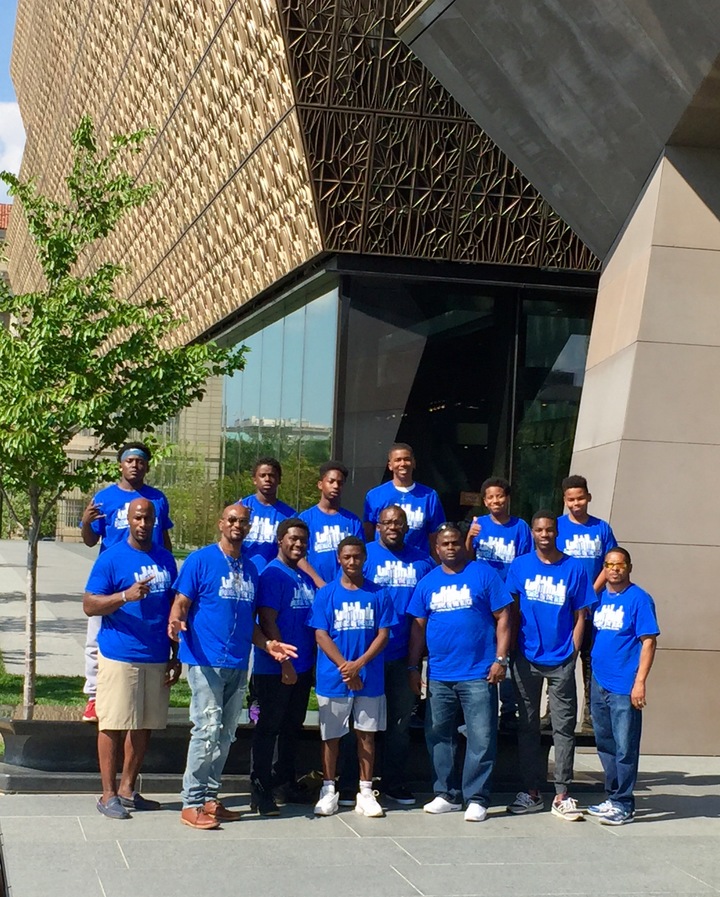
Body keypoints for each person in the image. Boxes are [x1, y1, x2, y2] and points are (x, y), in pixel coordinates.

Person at [168, 503, 297, 830]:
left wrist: (268, 644)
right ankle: (191, 802)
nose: (237, 525)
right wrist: (175, 621)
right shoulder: (200, 560)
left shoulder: (251, 569)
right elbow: (181, 603)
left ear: (249, 527)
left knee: (225, 735)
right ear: (221, 524)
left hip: (238, 662)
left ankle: (211, 798)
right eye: (232, 520)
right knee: (206, 730)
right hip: (205, 662)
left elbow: (250, 623)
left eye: (243, 521)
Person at [407, 523, 512, 822]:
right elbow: (418, 629)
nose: (451, 547)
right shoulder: (427, 582)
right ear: (436, 548)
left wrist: (500, 659)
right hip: (440, 674)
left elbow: (504, 616)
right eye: (445, 544)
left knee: (481, 737)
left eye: (455, 542)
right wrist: (413, 667)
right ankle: (446, 794)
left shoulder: (483, 574)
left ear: (462, 545)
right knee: (439, 735)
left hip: (479, 672)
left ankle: (477, 797)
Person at [82, 498, 180, 819]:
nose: (143, 523)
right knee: (112, 724)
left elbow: (173, 609)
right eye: (137, 518)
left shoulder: (166, 559)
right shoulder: (111, 558)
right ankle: (107, 794)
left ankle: (127, 789)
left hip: (156, 654)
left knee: (144, 725)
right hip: (120, 654)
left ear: (155, 521)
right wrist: (125, 596)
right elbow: (89, 604)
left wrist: (175, 653)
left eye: (148, 518)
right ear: (129, 519)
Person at [505, 511, 596, 821]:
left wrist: (573, 650)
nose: (544, 535)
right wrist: (511, 649)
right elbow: (511, 610)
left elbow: (581, 614)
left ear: (557, 532)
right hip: (526, 657)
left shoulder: (574, 567)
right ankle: (531, 792)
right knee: (528, 726)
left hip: (561, 659)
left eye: (549, 530)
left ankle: (562, 794)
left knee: (563, 727)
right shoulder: (520, 565)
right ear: (532, 532)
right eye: (539, 530)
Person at [79, 441, 173, 723]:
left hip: (149, 573)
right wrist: (86, 522)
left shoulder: (157, 499)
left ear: (147, 466)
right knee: (96, 637)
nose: (135, 465)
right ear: (120, 465)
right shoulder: (105, 498)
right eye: (130, 460)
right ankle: (94, 696)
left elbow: (164, 538)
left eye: (140, 461)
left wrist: (168, 566)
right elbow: (90, 540)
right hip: (113, 577)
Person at [308, 536, 396, 818]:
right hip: (333, 678)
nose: (352, 561)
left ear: (364, 558)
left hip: (369, 677)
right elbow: (321, 634)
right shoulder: (326, 594)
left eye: (357, 556)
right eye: (347, 557)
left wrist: (359, 664)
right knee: (331, 736)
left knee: (366, 735)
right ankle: (328, 789)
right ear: (339, 558)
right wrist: (345, 667)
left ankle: (366, 791)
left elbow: (383, 634)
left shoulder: (379, 594)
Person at [363, 505, 434, 805]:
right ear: (378, 526)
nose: (393, 527)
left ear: (407, 527)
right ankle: (355, 782)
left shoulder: (423, 561)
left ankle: (393, 783)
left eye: (398, 523)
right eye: (387, 522)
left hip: (404, 655)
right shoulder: (363, 555)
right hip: (367, 656)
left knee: (399, 725)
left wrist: (418, 658)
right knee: (361, 722)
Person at [587, 547, 659, 825]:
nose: (614, 569)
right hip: (599, 681)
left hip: (624, 685)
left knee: (625, 746)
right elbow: (582, 603)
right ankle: (612, 796)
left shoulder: (639, 599)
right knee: (605, 743)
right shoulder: (600, 598)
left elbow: (649, 642)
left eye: (619, 565)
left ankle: (624, 803)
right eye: (609, 565)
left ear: (629, 567)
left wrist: (639, 682)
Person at [251, 518, 317, 814]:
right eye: (293, 539)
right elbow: (267, 620)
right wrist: (285, 664)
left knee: (292, 728)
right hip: (275, 669)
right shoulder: (273, 574)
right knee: (268, 730)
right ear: (280, 541)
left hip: (301, 668)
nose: (298, 544)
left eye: (303, 540)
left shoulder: (301, 576)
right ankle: (261, 790)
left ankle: (284, 783)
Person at [464, 476, 532, 729]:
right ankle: (482, 706)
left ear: (507, 498)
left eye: (500, 496)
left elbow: (525, 562)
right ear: (484, 501)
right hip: (481, 597)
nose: (496, 501)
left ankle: (509, 708)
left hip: (509, 597)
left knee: (507, 651)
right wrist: (469, 537)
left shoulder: (520, 527)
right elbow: (466, 558)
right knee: (484, 646)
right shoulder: (478, 524)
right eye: (490, 497)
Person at [557, 474, 618, 729]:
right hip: (563, 606)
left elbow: (610, 563)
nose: (576, 504)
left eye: (580, 498)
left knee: (591, 659)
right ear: (565, 500)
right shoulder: (557, 527)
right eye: (571, 499)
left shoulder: (601, 528)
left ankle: (591, 712)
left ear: (589, 497)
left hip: (594, 606)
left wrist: (589, 593)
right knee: (562, 660)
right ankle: (556, 711)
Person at [363, 443, 444, 555]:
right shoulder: (375, 495)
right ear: (390, 465)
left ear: (414, 463)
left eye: (407, 459)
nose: (402, 464)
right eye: (398, 460)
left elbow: (435, 535)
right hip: (383, 560)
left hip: (417, 560)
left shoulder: (429, 495)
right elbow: (368, 533)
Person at [299, 460, 364, 586]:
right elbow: (298, 557)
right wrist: (318, 581)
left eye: (340, 483)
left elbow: (360, 556)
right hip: (315, 588)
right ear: (320, 484)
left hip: (345, 589)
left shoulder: (353, 521)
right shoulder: (305, 518)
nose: (335, 486)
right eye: (331, 481)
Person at [239, 457, 296, 572]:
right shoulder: (240, 508)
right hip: (243, 573)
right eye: (262, 475)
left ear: (279, 480)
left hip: (274, 574)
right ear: (254, 480)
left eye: (272, 475)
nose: (267, 479)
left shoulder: (290, 515)